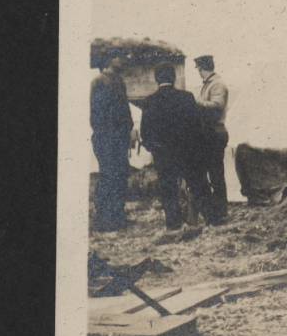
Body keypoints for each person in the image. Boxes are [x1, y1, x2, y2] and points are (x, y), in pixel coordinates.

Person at [138, 64, 218, 229]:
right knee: (198, 185)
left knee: (168, 190)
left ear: (156, 79)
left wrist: (155, 149)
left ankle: (174, 225)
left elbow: (145, 134)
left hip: (163, 155)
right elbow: (197, 128)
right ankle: (213, 220)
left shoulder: (149, 101)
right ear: (173, 78)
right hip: (187, 152)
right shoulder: (186, 97)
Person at [90, 53, 135, 231]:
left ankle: (118, 216)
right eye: (119, 57)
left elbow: (125, 111)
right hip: (106, 138)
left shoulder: (119, 81)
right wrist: (108, 134)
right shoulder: (99, 81)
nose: (123, 60)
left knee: (121, 176)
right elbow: (97, 114)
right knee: (108, 176)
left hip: (119, 138)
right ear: (109, 60)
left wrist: (128, 130)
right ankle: (102, 219)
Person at [193, 55, 231, 221]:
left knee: (216, 174)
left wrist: (197, 102)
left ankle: (221, 210)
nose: (199, 73)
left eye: (199, 70)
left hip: (214, 132)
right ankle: (217, 210)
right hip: (210, 133)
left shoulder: (217, 85)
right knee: (213, 172)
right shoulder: (210, 84)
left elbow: (216, 106)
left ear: (202, 69)